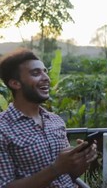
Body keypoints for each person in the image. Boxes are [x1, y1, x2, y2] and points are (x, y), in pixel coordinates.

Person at [0, 48, 97, 187]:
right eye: (36, 73)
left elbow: (69, 175)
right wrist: (56, 168)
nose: (46, 78)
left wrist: (83, 160)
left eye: (45, 72)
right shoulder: (3, 128)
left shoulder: (55, 121)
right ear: (15, 83)